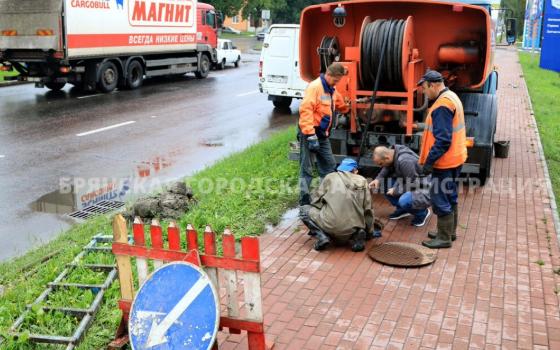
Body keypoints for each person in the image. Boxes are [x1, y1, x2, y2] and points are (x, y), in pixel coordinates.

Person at [417, 70, 467, 249]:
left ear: (433, 85)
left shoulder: (441, 106)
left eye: (424, 88)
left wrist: (429, 162)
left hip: (444, 162)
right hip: (456, 158)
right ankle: (449, 232)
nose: (423, 92)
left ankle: (444, 238)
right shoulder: (451, 96)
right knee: (451, 195)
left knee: (440, 198)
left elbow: (443, 139)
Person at [298, 63, 350, 206]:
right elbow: (306, 110)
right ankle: (304, 199)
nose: (336, 83)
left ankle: (326, 195)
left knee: (329, 165)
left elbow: (339, 103)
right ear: (328, 75)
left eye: (338, 81)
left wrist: (348, 108)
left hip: (322, 135)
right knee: (306, 168)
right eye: (335, 80)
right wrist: (310, 135)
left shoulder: (330, 90)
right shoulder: (315, 87)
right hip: (310, 134)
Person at [300, 158, 374, 252]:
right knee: (357, 217)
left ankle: (322, 236)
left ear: (340, 169)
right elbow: (368, 209)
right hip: (354, 226)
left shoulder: (330, 177)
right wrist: (370, 232)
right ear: (355, 171)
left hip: (330, 225)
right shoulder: (363, 181)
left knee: (303, 210)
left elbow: (316, 201)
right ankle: (358, 234)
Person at [370, 145, 431, 227]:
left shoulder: (405, 161)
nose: (381, 166)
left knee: (404, 201)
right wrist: (378, 179)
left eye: (381, 163)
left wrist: (396, 191)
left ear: (387, 158)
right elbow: (386, 167)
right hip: (409, 181)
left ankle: (422, 212)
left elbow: (413, 184)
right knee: (381, 184)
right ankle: (404, 209)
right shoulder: (393, 152)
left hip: (424, 186)